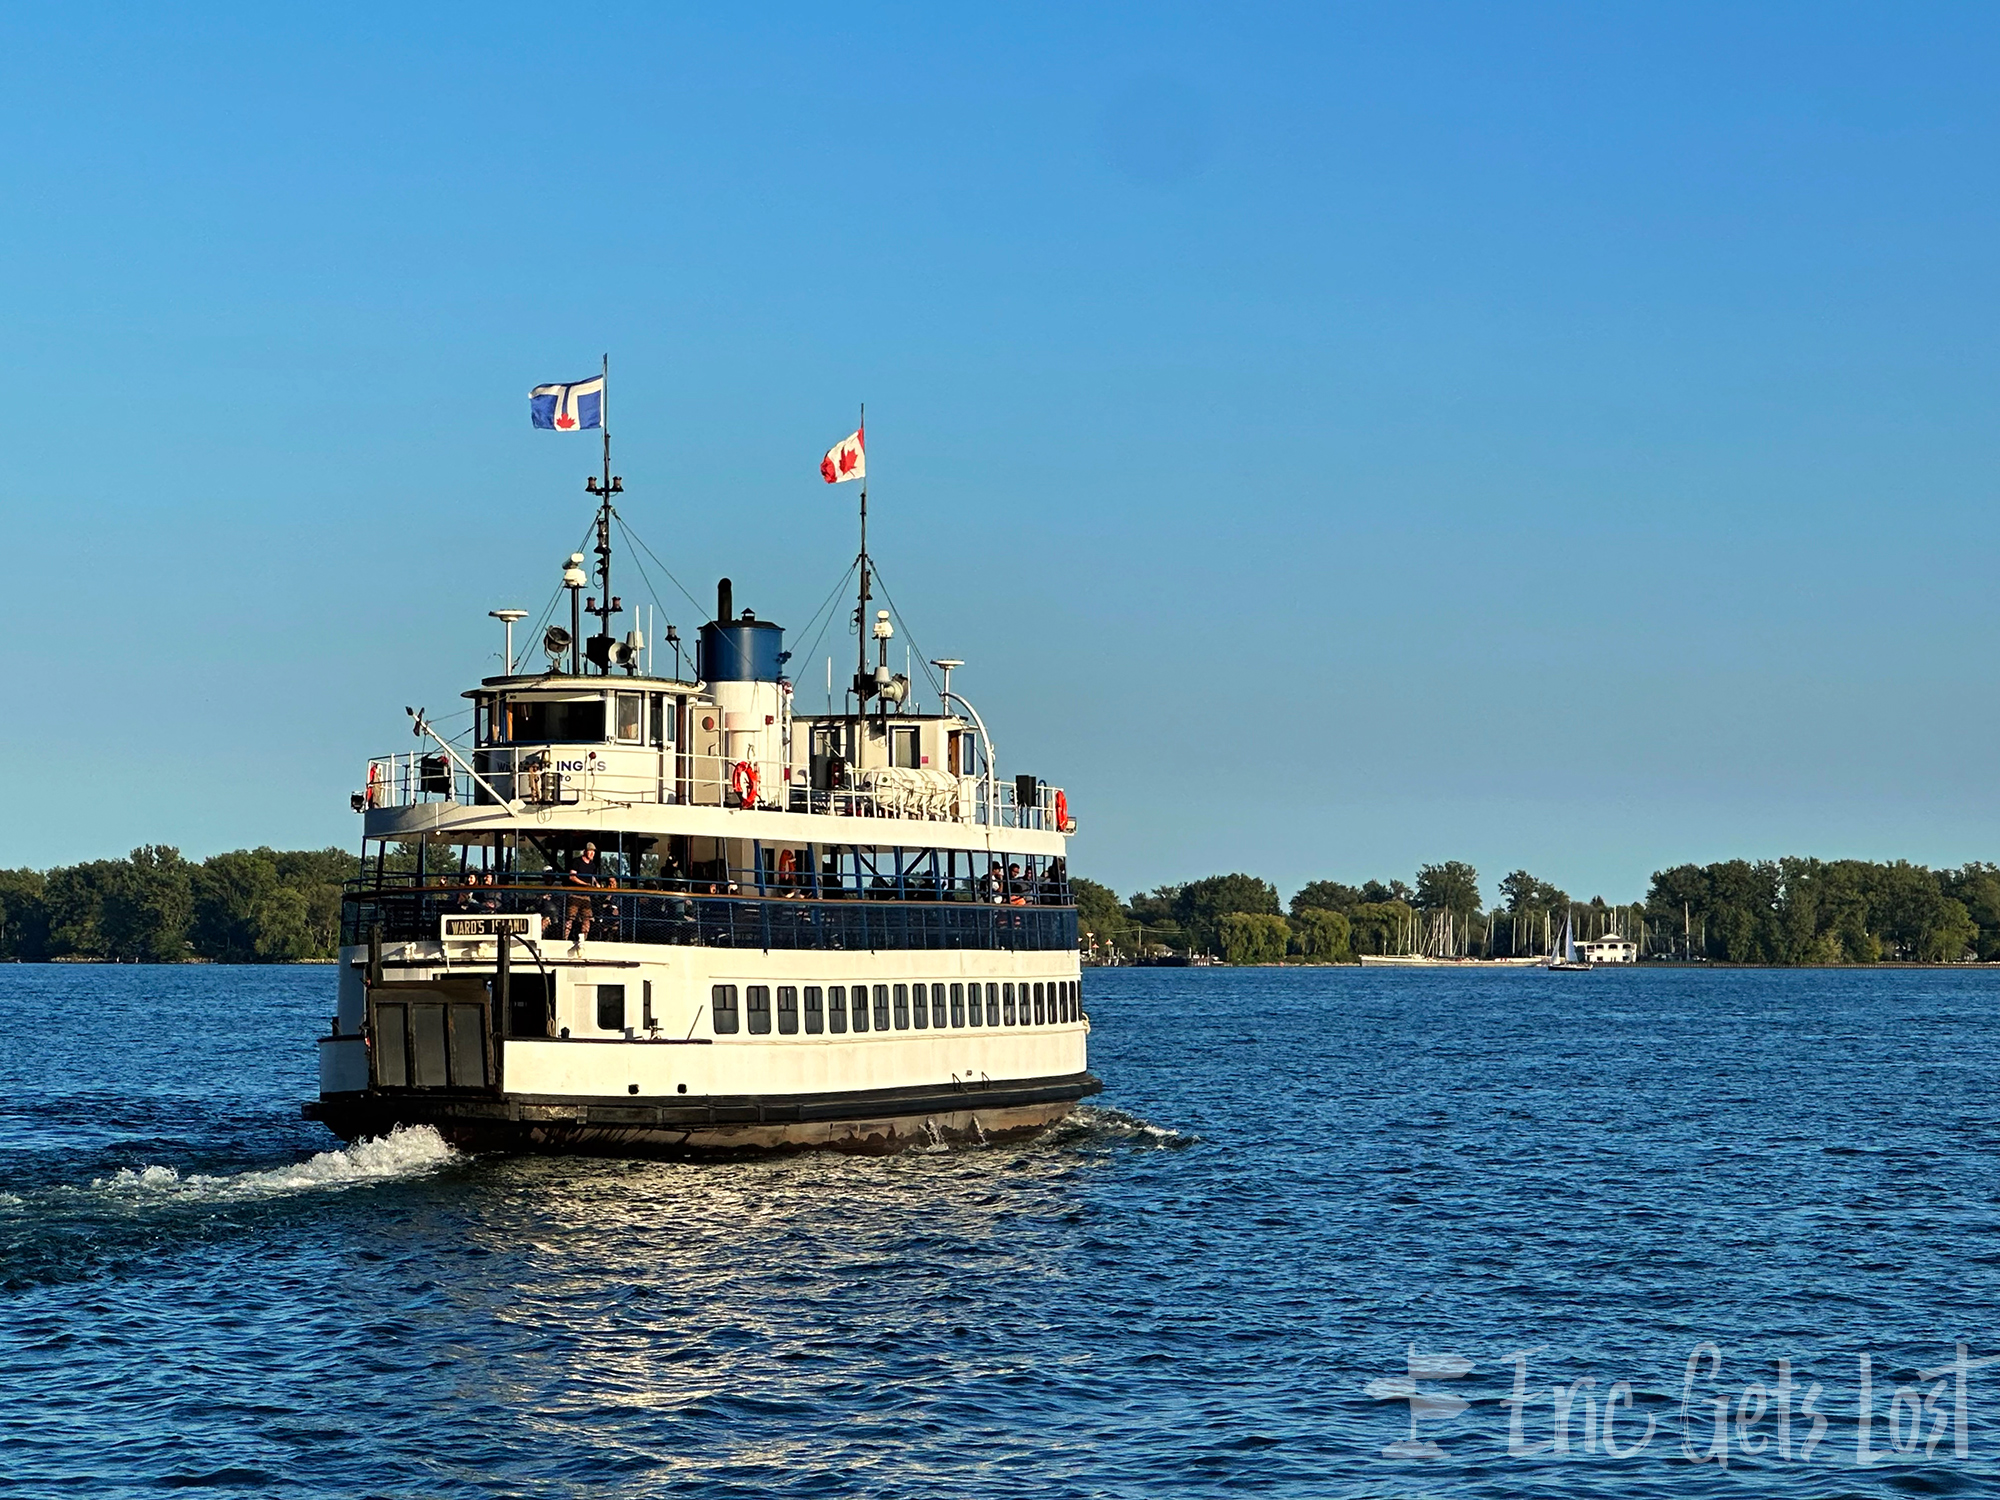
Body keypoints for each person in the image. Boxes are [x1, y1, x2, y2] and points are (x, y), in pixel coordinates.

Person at [564, 841, 603, 951]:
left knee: (587, 918)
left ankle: (583, 939)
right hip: (575, 894)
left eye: (593, 852)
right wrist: (584, 884)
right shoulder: (576, 862)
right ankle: (565, 939)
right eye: (590, 851)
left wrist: (596, 884)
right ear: (585, 851)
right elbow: (572, 877)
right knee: (570, 918)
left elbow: (592, 877)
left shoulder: (592, 865)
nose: (592, 854)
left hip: (586, 896)